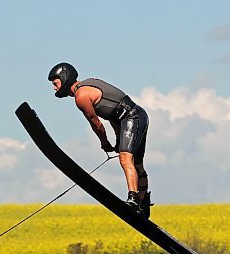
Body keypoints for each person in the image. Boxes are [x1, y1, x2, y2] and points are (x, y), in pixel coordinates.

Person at [48, 62, 152, 218]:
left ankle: (133, 199)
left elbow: (96, 124)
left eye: (55, 84)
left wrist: (105, 143)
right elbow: (114, 111)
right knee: (136, 164)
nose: (54, 88)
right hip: (137, 115)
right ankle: (143, 204)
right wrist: (118, 139)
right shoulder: (89, 83)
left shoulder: (81, 97)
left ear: (64, 78)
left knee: (125, 159)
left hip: (132, 117)